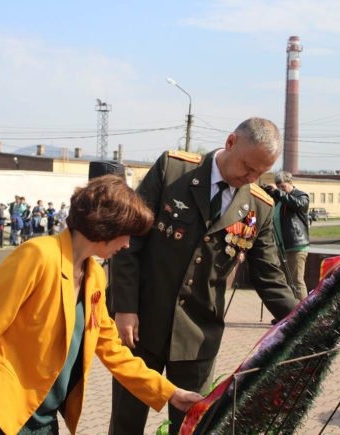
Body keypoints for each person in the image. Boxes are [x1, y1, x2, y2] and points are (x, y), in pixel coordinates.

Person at [0, 175, 202, 435]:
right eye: (127, 234)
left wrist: (171, 393)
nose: (128, 244)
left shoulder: (94, 276)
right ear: (107, 227)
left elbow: (113, 351)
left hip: (43, 416)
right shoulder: (37, 256)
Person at [108, 117, 300, 434]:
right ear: (230, 143)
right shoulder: (173, 171)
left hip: (198, 335)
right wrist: (124, 307)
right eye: (248, 167)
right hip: (142, 324)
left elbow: (270, 277)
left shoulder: (258, 206)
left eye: (260, 172)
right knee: (126, 423)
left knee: (191, 427)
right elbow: (130, 240)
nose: (251, 178)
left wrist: (303, 319)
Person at [269, 171, 310, 299]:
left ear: (290, 183)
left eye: (283, 186)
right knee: (285, 282)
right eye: (278, 186)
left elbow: (297, 204)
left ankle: (304, 314)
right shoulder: (280, 200)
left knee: (296, 282)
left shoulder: (301, 196)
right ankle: (289, 313)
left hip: (296, 246)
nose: (281, 190)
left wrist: (277, 192)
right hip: (282, 247)